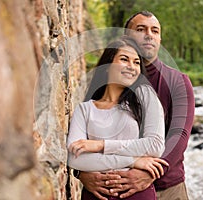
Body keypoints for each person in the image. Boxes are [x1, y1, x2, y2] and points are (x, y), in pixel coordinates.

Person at [77, 11, 195, 200]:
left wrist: (149, 174)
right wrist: (81, 173)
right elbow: (82, 135)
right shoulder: (104, 82)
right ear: (126, 37)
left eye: (155, 31)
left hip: (167, 188)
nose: (149, 34)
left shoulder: (177, 82)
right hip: (111, 187)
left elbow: (179, 136)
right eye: (141, 29)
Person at [67, 36, 168, 199]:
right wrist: (134, 161)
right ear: (107, 65)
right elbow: (75, 160)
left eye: (136, 62)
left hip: (136, 194)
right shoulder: (84, 109)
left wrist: (100, 145)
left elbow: (155, 145)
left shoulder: (145, 97)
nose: (132, 66)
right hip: (97, 195)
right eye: (124, 59)